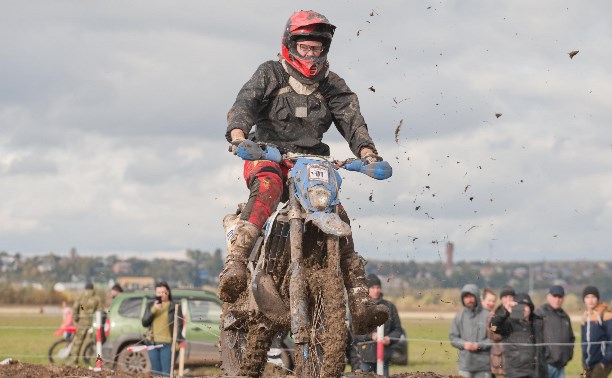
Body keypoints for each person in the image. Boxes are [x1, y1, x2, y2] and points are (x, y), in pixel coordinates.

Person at [220, 10, 388, 334]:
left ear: (324, 49)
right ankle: (236, 264)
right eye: (304, 47)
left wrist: (367, 153)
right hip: (266, 152)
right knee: (267, 184)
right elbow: (245, 104)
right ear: (290, 45)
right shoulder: (270, 74)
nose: (310, 54)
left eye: (316, 48)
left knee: (336, 211)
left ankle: (359, 300)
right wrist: (239, 134)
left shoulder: (332, 85)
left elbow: (352, 120)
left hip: (310, 162)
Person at [354, 274, 403, 377]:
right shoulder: (360, 308)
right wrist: (371, 336)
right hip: (365, 357)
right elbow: (355, 332)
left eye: (378, 287)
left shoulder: (390, 307)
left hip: (384, 356)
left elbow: (398, 329)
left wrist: (389, 339)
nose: (376, 290)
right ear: (367, 289)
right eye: (372, 288)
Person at [490, 292, 547, 378]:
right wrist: (505, 311)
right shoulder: (509, 323)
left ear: (531, 308)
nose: (523, 309)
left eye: (526, 306)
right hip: (516, 373)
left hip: (536, 373)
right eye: (520, 306)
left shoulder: (537, 323)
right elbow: (493, 327)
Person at [449, 284, 492, 378]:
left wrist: (479, 345)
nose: (469, 299)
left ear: (477, 297)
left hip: (483, 367)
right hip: (465, 366)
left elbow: (493, 339)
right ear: (463, 299)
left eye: (471, 296)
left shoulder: (488, 316)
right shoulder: (459, 317)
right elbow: (453, 337)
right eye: (466, 297)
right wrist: (464, 344)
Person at [141, 281, 183, 377]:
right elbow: (144, 322)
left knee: (166, 372)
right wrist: (155, 309)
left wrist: (177, 341)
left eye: (163, 292)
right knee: (156, 372)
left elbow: (179, 325)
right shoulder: (151, 305)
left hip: (168, 344)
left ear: (168, 292)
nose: (161, 295)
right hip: (152, 343)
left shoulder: (174, 306)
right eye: (158, 293)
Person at [534, 285, 575, 378]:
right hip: (546, 365)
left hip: (561, 366)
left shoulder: (565, 316)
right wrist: (544, 356)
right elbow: (536, 337)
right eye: (554, 296)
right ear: (548, 296)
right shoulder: (540, 313)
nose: (557, 299)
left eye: (560, 297)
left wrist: (568, 355)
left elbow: (571, 337)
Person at [580, 286, 612, 378]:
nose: (590, 300)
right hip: (587, 363)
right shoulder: (585, 317)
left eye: (593, 297)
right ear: (584, 300)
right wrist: (584, 361)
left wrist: (605, 361)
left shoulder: (606, 315)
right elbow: (583, 342)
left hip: (602, 362)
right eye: (587, 297)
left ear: (597, 298)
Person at [70, 282, 101, 364]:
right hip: (93, 322)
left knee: (78, 341)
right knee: (92, 341)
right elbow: (100, 311)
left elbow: (75, 308)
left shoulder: (80, 297)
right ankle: (89, 358)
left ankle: (74, 359)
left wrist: (76, 319)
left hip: (82, 321)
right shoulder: (96, 299)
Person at [488, 286, 515, 378]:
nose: (508, 299)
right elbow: (492, 334)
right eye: (506, 297)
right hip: (498, 357)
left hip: (514, 357)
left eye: (511, 297)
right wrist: (507, 334)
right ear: (501, 299)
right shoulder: (495, 313)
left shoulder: (518, 312)